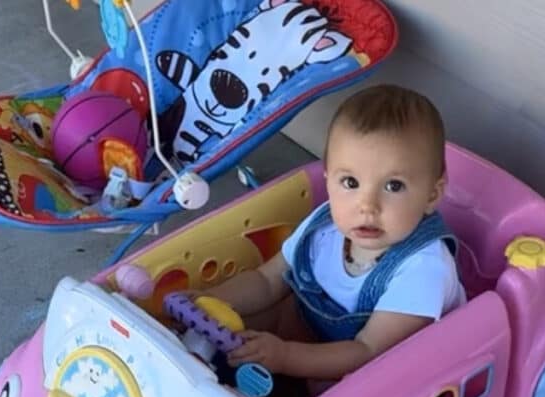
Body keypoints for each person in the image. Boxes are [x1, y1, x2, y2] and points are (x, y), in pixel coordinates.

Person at [199, 83, 465, 381]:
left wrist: (285, 356)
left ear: (431, 195)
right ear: (327, 179)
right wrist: (209, 299)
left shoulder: (424, 268)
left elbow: (367, 351)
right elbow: (265, 280)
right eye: (350, 182)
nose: (367, 206)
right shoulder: (324, 226)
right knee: (254, 318)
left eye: (393, 186)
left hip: (377, 371)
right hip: (312, 341)